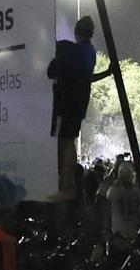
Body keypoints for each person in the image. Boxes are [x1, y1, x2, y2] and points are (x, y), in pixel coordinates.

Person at [46, 16, 115, 201]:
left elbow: (50, 71)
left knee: (65, 142)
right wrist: (107, 73)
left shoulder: (71, 52)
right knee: (69, 141)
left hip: (65, 103)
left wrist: (59, 53)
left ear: (76, 32)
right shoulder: (89, 52)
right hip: (78, 104)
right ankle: (68, 186)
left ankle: (65, 187)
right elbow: (87, 79)